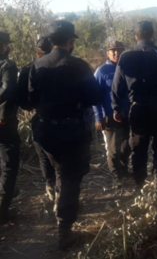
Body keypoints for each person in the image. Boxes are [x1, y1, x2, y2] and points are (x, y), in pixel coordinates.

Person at [28, 20, 101, 249]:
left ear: (50, 41)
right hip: (71, 131)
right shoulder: (79, 66)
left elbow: (26, 101)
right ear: (70, 41)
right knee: (69, 177)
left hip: (45, 131)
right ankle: (64, 230)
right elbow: (95, 98)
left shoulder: (35, 66)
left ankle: (60, 197)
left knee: (60, 171)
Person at [112, 21, 157, 191]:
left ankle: (139, 185)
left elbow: (117, 86)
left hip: (138, 108)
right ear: (152, 35)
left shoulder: (126, 56)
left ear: (136, 36)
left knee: (138, 147)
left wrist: (117, 108)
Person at [17, 37, 55, 201]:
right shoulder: (62, 65)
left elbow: (22, 99)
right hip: (66, 119)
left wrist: (32, 107)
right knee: (62, 158)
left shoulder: (28, 69)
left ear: (37, 51)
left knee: (44, 156)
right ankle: (62, 190)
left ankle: (50, 186)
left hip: (40, 119)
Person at [93, 40, 131, 189]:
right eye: (113, 50)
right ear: (107, 53)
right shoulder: (102, 71)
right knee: (113, 149)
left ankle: (124, 169)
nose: (116, 53)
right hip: (110, 116)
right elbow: (96, 97)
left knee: (126, 146)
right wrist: (98, 117)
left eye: (119, 50)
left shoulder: (129, 68)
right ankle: (117, 175)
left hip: (128, 114)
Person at [0, 31, 20, 225]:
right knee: (8, 166)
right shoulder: (8, 66)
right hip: (4, 124)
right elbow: (7, 89)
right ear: (4, 46)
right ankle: (3, 210)